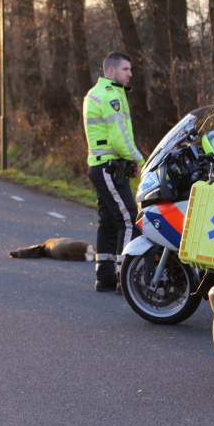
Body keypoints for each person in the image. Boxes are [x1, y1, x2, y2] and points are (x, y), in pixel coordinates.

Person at [83, 52, 145, 292]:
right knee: (129, 217)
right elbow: (119, 138)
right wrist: (139, 158)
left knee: (108, 220)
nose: (130, 74)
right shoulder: (111, 97)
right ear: (111, 71)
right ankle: (124, 278)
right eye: (126, 69)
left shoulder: (96, 93)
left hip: (100, 166)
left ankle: (106, 277)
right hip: (109, 167)